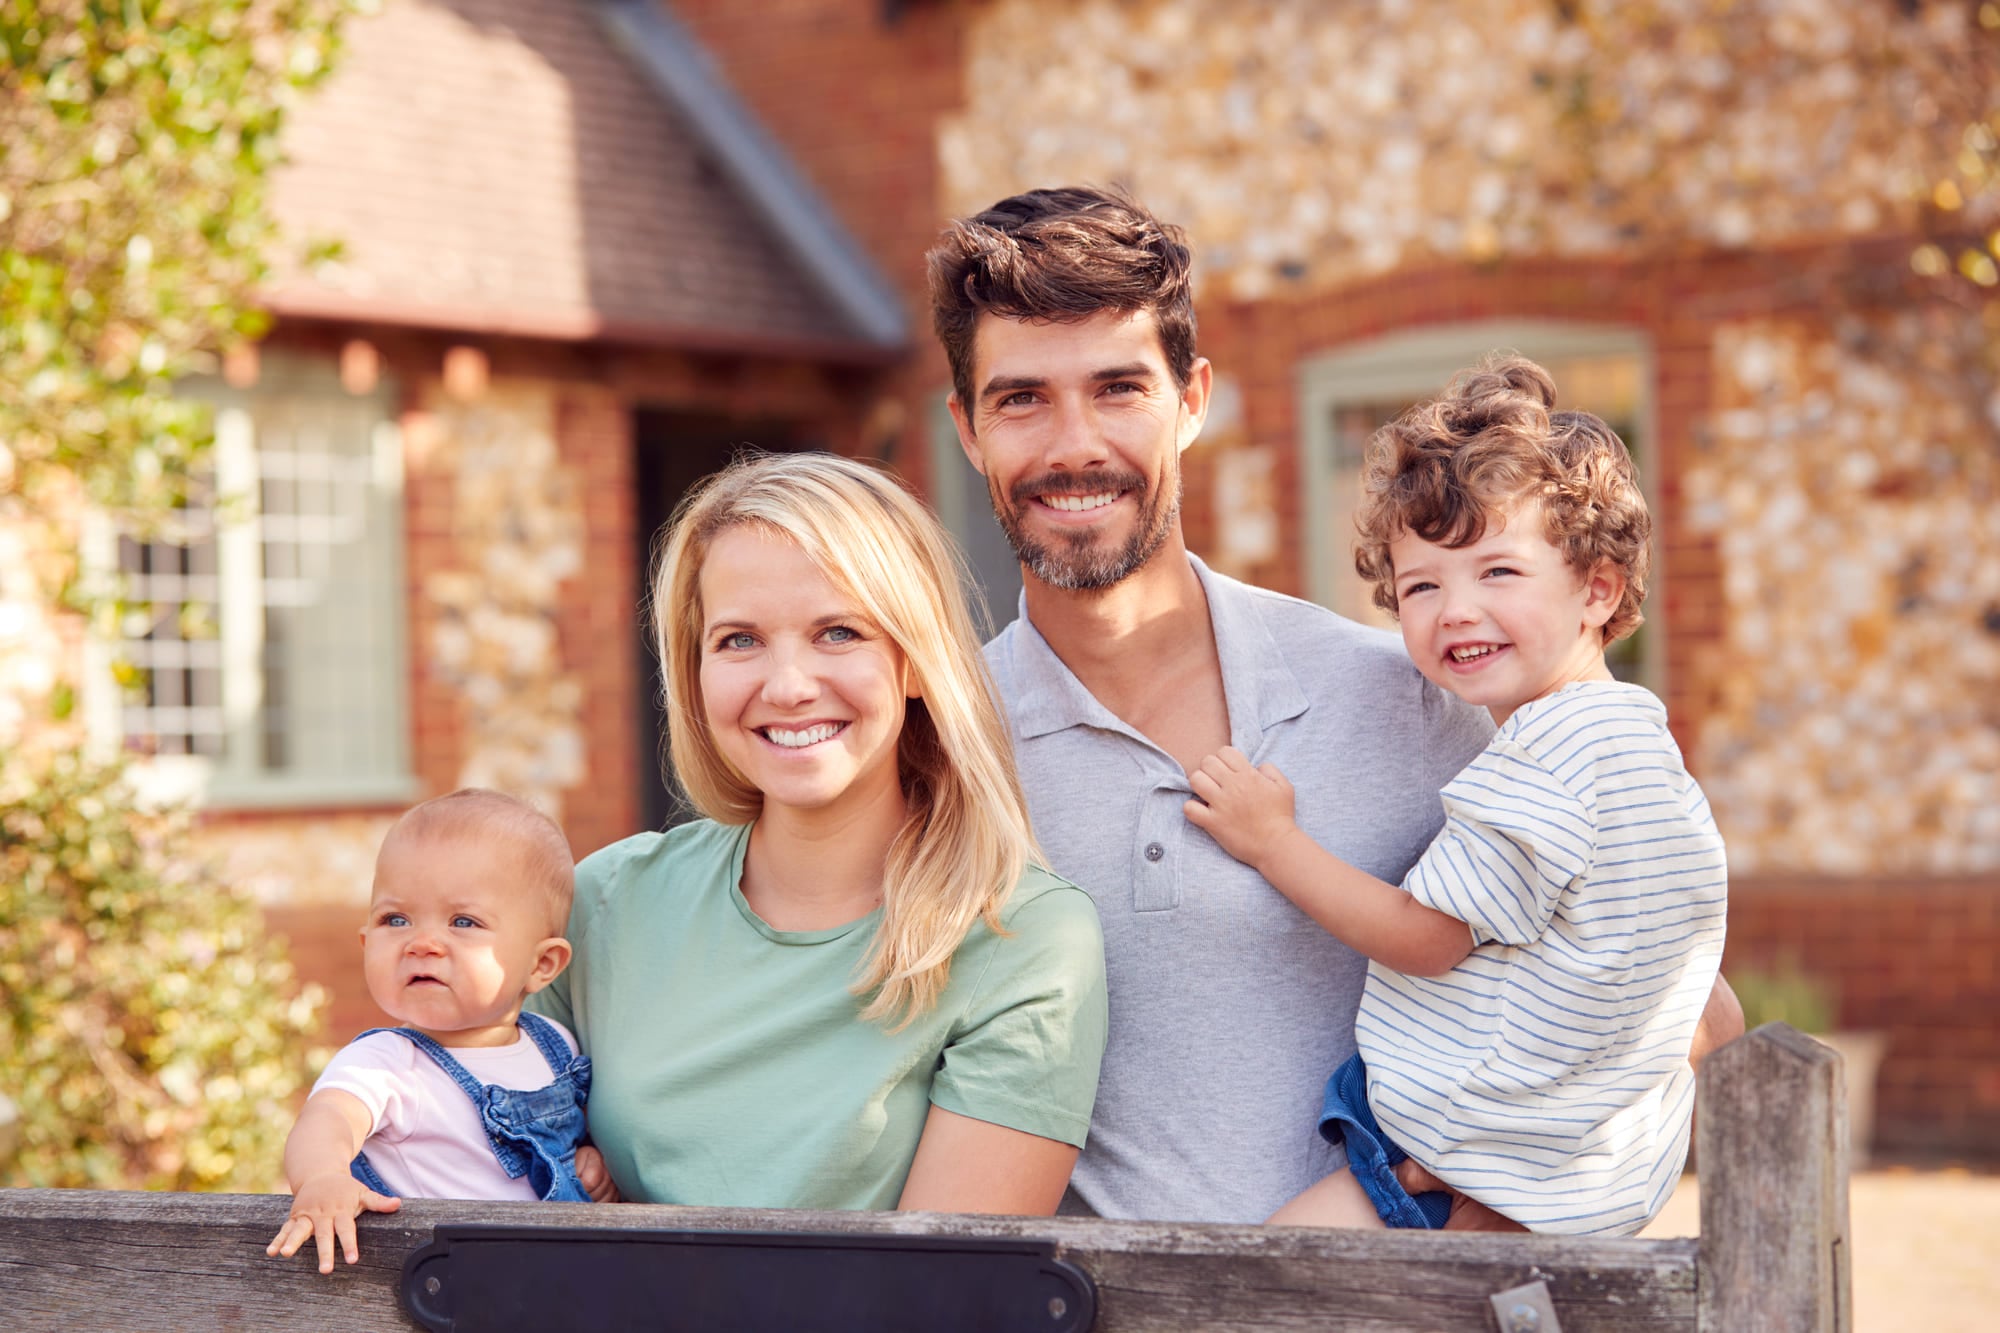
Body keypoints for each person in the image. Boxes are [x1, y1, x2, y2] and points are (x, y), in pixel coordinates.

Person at [928, 184, 1743, 1226]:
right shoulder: (938, 747)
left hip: (1404, 1284)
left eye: (1119, 388)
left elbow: (1670, 986)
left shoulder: (1413, 696)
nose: (1073, 444)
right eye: (1021, 400)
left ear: (1192, 400)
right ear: (966, 428)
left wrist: (1514, 1190)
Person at [1187, 356, 1727, 1235]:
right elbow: (1714, 1007)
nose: (1455, 609)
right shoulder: (1643, 747)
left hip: (1457, 1170)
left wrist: (1273, 842)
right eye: (1422, 585)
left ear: (1597, 588)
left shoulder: (1543, 758)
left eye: (1498, 572)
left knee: (1268, 1272)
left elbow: (1425, 937)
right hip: (1566, 1186)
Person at [534, 451, 1107, 1213]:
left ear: (915, 660)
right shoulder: (605, 901)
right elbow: (460, 1136)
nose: (788, 686)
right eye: (739, 640)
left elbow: (949, 1275)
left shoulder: (1023, 938)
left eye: (838, 632)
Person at [266, 788, 590, 1275]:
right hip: (452, 1288)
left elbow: (560, 1152)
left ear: (541, 964)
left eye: (463, 921)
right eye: (395, 919)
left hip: (561, 1281)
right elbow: (328, 1119)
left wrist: (586, 1165)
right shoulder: (387, 1064)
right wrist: (323, 1176)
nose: (422, 943)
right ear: (366, 942)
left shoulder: (556, 1046)